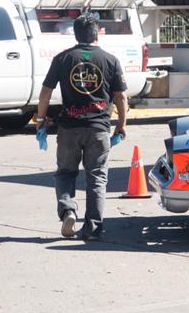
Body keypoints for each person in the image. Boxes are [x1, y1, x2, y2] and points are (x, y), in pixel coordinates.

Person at [36, 14, 127, 240]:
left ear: (75, 34)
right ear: (97, 33)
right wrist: (121, 126)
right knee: (96, 178)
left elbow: (45, 93)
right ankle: (93, 229)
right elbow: (121, 97)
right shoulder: (111, 60)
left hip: (69, 127)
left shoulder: (62, 59)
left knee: (65, 172)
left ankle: (68, 210)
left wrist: (40, 121)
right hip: (99, 128)